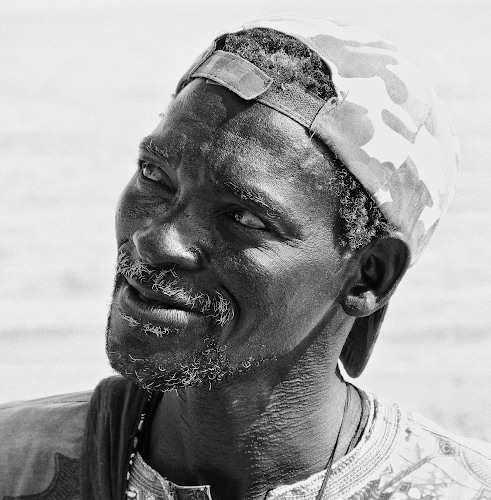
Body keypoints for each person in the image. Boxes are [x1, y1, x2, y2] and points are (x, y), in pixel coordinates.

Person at [1, 12, 489, 500]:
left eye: (244, 218)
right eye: (154, 175)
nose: (157, 241)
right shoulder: (13, 461)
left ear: (369, 276)